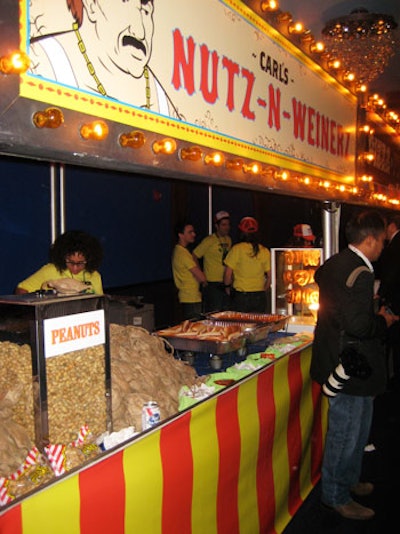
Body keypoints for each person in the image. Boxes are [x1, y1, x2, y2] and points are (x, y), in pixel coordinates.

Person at [310, 210, 399, 521]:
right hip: (350, 365)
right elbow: (360, 325)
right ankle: (335, 494)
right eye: (382, 242)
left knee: (356, 429)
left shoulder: (337, 261)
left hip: (336, 358)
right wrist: (383, 320)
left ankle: (348, 479)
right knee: (346, 432)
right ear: (371, 239)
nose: (384, 248)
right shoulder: (360, 272)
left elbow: (318, 277)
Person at [29, 0, 180, 117]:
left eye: (145, 11)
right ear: (92, 4)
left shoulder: (158, 96)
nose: (139, 31)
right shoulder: (42, 58)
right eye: (124, 2)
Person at [15, 230, 104, 294]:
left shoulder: (95, 276)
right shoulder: (50, 270)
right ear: (63, 257)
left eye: (80, 263)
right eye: (70, 262)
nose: (75, 268)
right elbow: (21, 289)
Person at [223, 216, 271, 313]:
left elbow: (227, 274)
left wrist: (227, 287)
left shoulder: (237, 249)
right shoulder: (264, 250)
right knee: (258, 326)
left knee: (240, 326)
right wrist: (263, 289)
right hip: (259, 296)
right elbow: (270, 277)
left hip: (241, 296)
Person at [375, 214, 400, 386]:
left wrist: (381, 293)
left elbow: (391, 274)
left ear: (391, 226)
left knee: (394, 341)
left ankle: (392, 380)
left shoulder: (395, 246)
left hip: (396, 300)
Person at [193, 210, 232, 313]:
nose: (226, 227)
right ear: (217, 226)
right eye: (223, 225)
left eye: (228, 225)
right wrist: (201, 275)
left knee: (225, 312)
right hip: (212, 284)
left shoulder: (228, 239)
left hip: (225, 282)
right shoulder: (209, 240)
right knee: (214, 313)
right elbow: (194, 255)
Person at [172, 220, 207, 320]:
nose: (194, 234)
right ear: (181, 235)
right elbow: (201, 277)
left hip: (188, 295)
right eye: (190, 232)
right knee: (195, 328)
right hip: (191, 297)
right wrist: (203, 278)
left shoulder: (181, 251)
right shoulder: (183, 253)